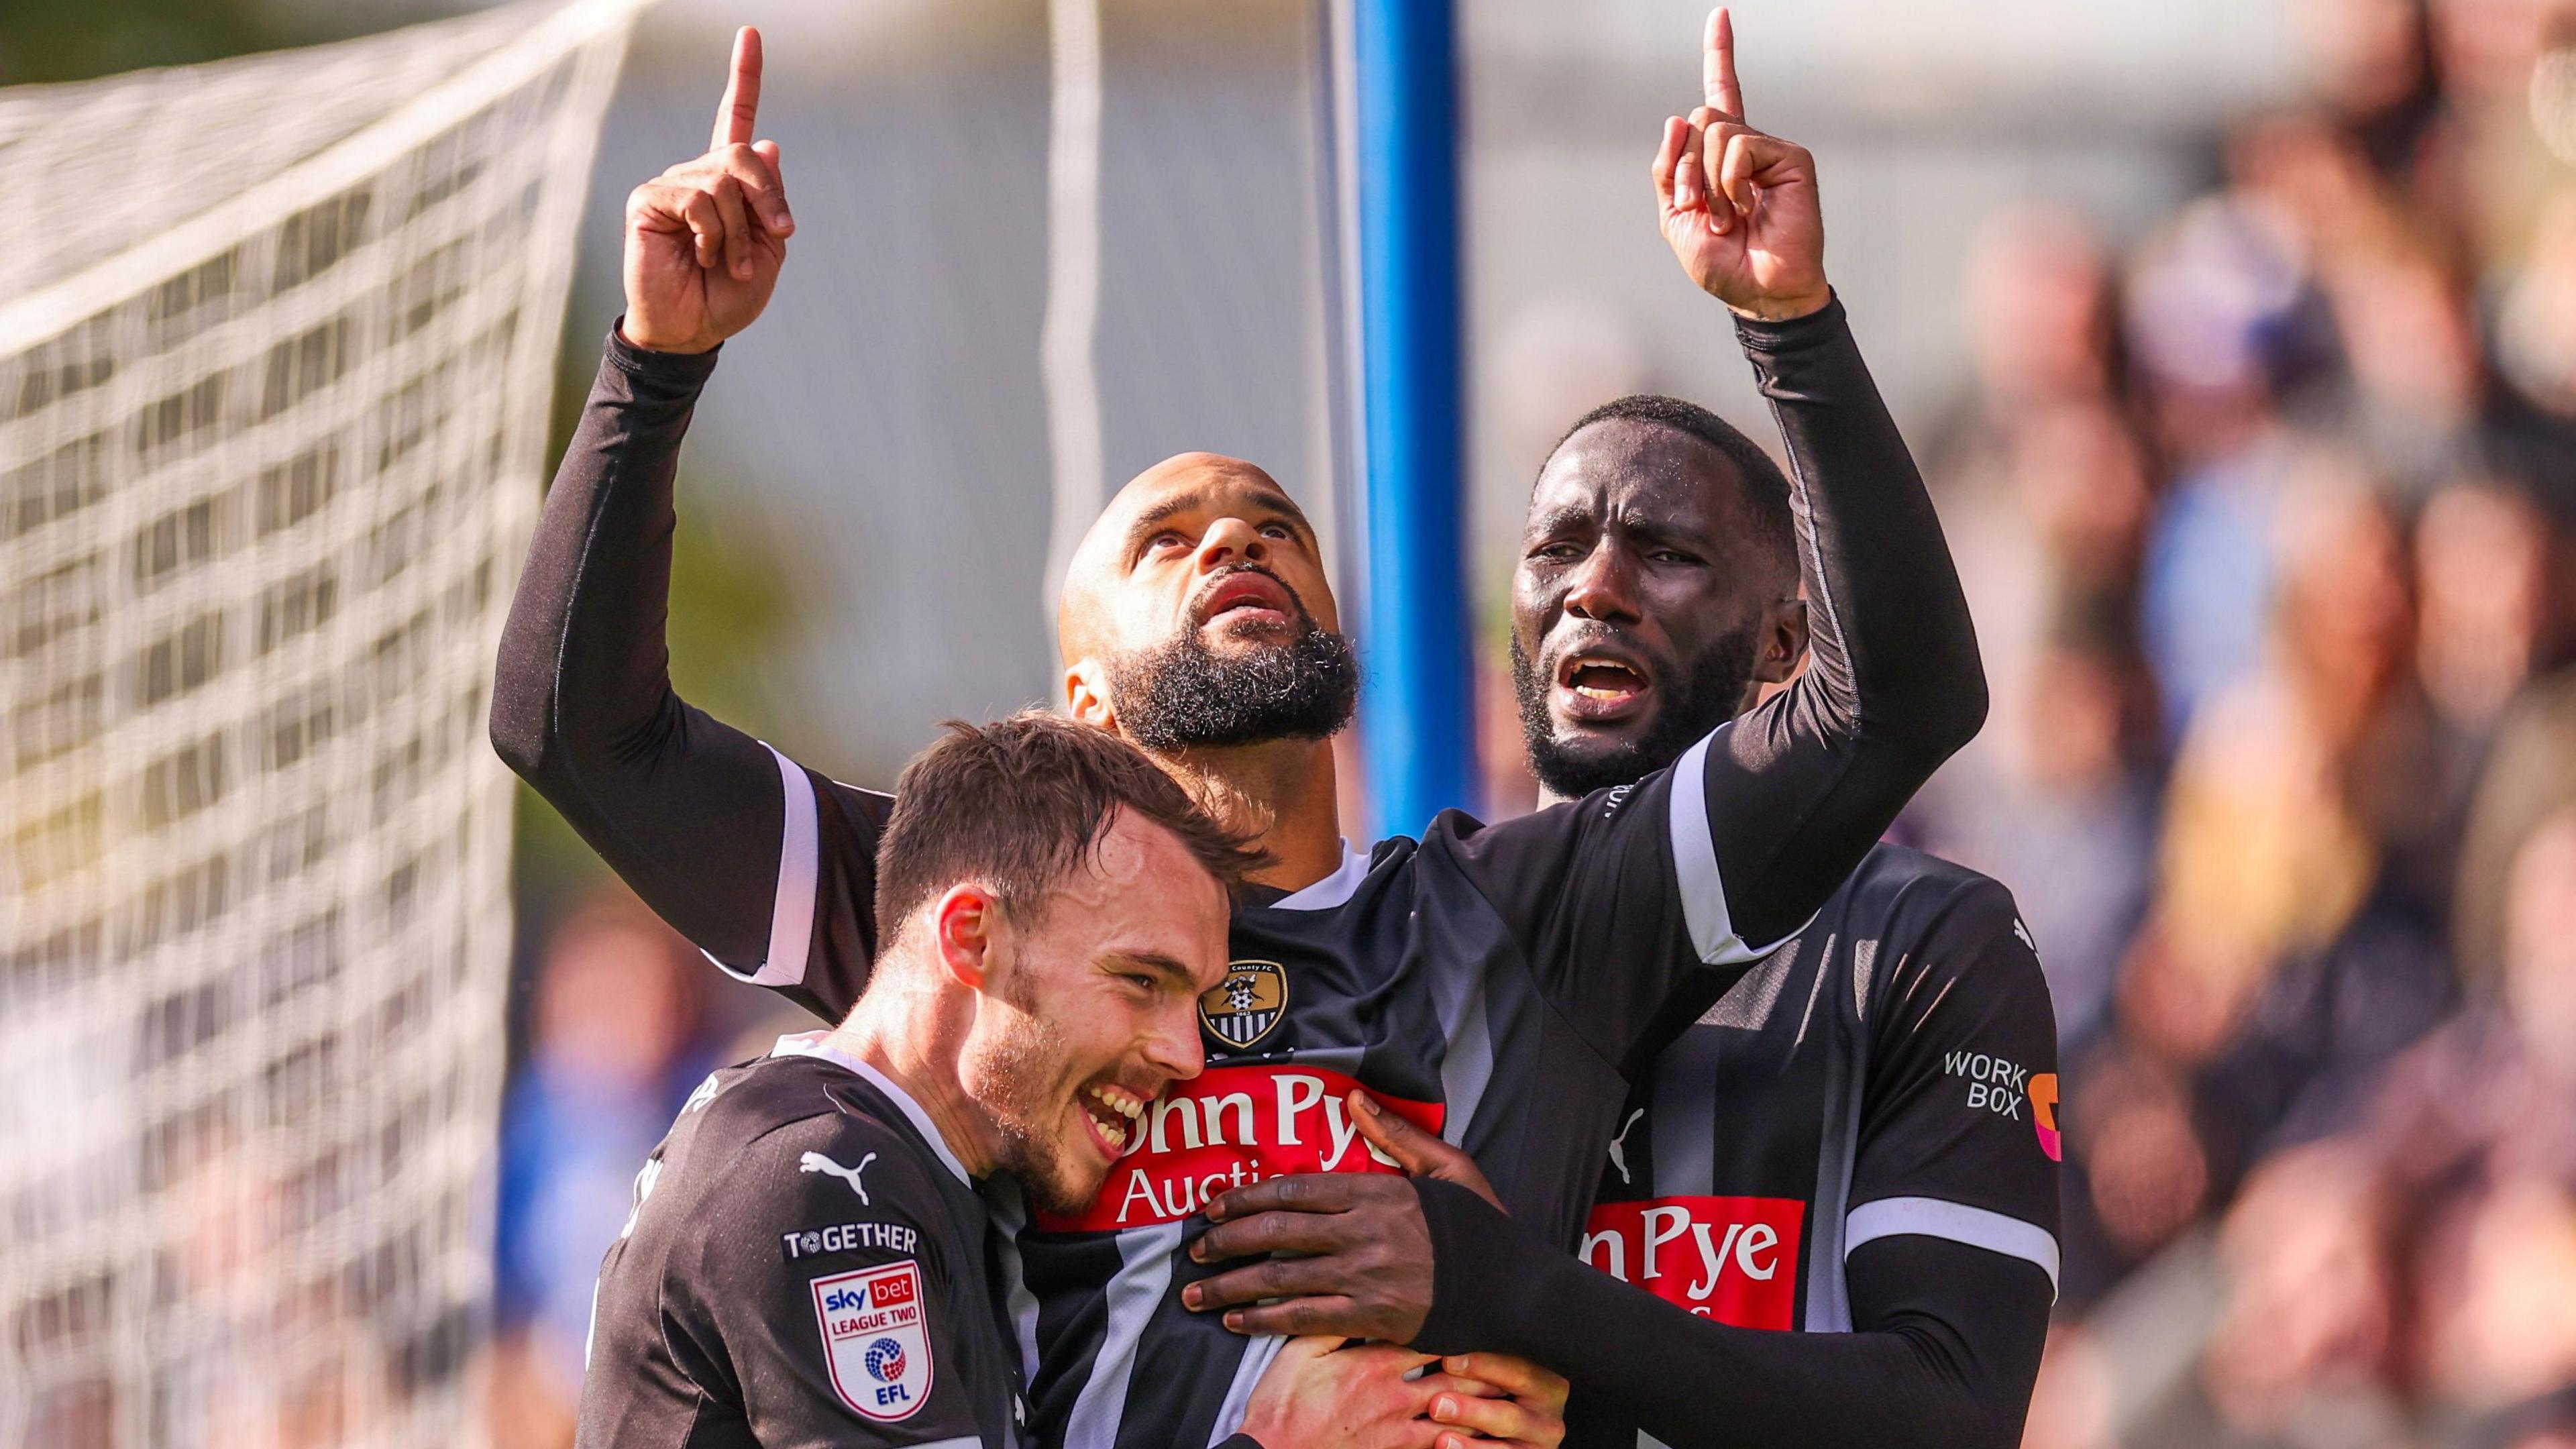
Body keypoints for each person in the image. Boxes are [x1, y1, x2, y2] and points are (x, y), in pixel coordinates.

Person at [491, 13, 1980, 1447]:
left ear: (1343, 630)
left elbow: (1895, 700)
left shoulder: (1529, 920)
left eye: (1277, 526)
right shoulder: (971, 917)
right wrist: (654, 365)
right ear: (1080, 698)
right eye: (1166, 540)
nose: (1234, 545)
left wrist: (1789, 323)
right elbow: (579, 734)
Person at [1181, 16, 2059, 1448]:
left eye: (1664, 550)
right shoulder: (1418, 939)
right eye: (1560, 548)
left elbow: (1948, 1418)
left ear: (1788, 645)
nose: (1596, 581)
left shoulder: (1921, 944)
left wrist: (1511, 1294)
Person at [581, 713, 1522, 1449]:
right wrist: (1274, 1443)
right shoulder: (822, 1182)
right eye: (1141, 981)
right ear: (972, 940)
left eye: (1194, 1000)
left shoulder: (922, 1167)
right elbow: (570, 730)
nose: (1187, 1055)